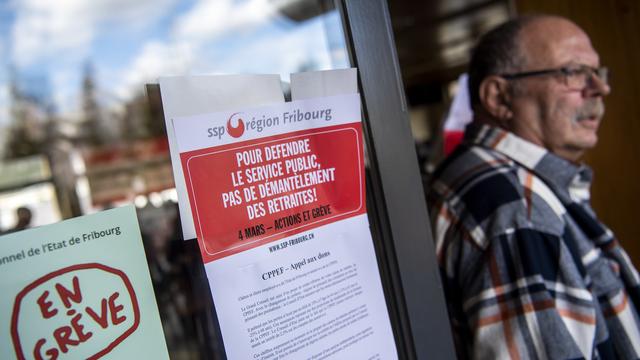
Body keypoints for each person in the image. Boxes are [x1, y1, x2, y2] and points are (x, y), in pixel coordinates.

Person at [428, 15, 640, 359]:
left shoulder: (509, 184)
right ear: (499, 96)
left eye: (597, 72)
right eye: (572, 72)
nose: (601, 88)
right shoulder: (516, 210)